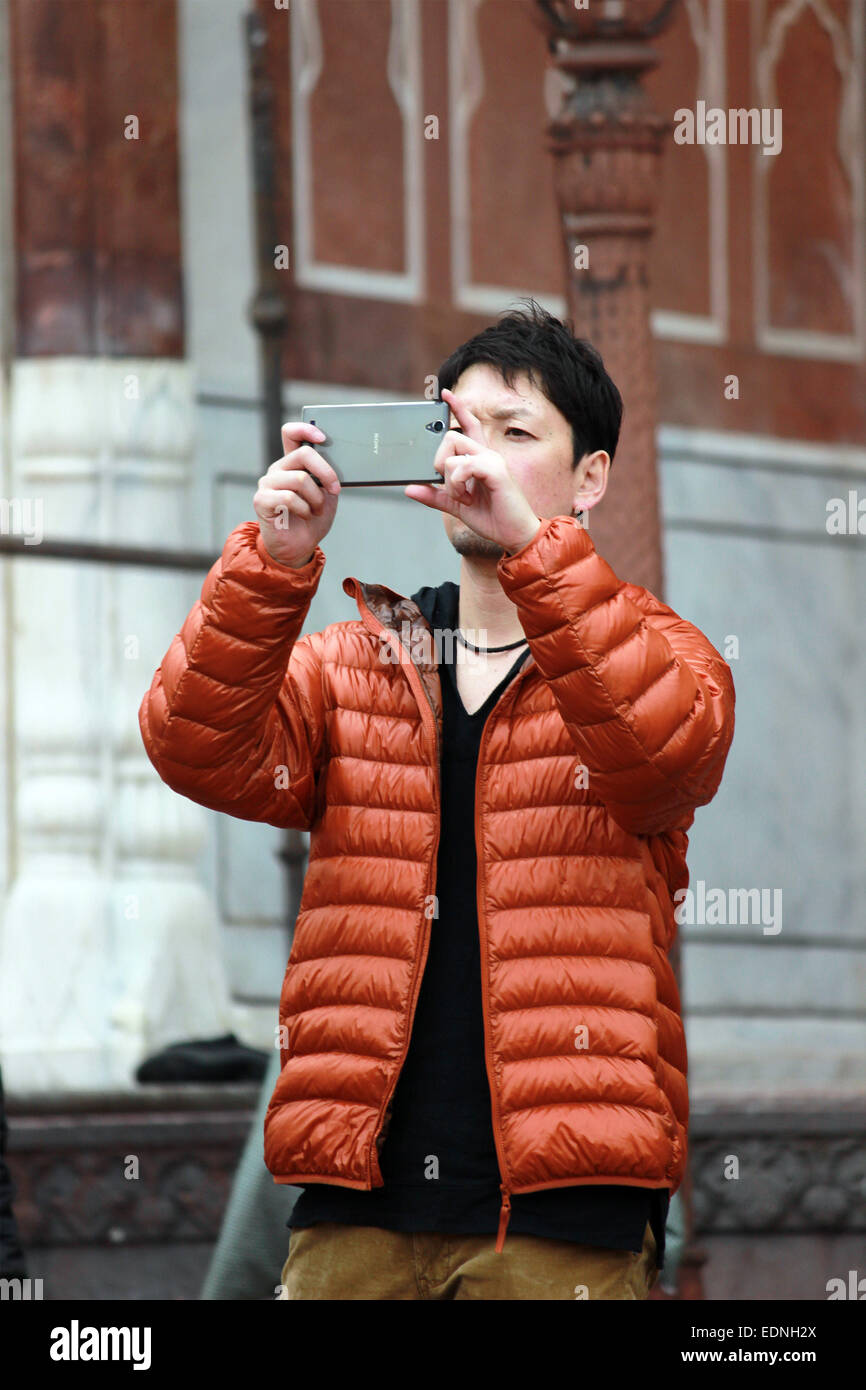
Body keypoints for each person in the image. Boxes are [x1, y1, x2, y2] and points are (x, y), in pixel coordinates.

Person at [139, 301, 735, 1300]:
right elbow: (196, 747)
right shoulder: (358, 662)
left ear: (589, 477)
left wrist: (537, 555)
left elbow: (659, 754)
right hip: (353, 1208)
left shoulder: (660, 654)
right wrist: (271, 564)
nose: (481, 460)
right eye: (463, 430)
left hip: (557, 1219)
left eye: (517, 434)